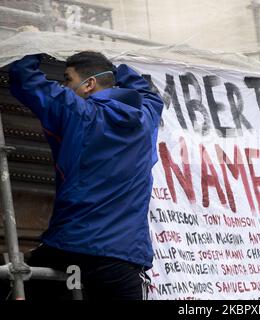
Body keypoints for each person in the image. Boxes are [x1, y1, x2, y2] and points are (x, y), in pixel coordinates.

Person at [8, 49, 163, 300]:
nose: (64, 86)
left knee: (16, 284)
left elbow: (25, 78)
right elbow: (149, 94)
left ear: (89, 84)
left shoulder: (77, 112)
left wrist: (32, 45)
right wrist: (117, 67)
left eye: (68, 79)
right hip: (123, 259)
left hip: (72, 247)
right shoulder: (146, 118)